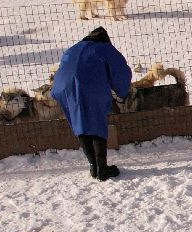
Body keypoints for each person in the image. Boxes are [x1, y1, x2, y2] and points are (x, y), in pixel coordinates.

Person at [50, 27, 131, 181]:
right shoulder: (104, 48)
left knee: (80, 123)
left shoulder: (73, 48)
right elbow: (120, 71)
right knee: (96, 124)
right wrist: (122, 93)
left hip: (65, 88)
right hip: (89, 87)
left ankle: (93, 166)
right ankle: (102, 169)